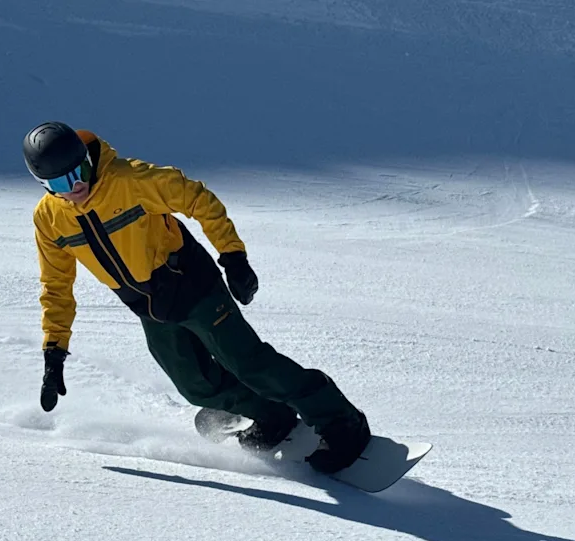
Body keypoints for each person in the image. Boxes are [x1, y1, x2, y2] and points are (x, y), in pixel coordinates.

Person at [23, 121, 370, 474]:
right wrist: (55, 352)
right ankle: (272, 415)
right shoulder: (50, 220)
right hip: (151, 309)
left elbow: (198, 198)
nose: (76, 186)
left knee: (250, 364)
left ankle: (341, 421)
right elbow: (56, 287)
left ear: (87, 159)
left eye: (79, 172)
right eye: (60, 183)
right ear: (43, 185)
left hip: (193, 284)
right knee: (196, 386)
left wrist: (232, 256)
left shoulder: (131, 181)